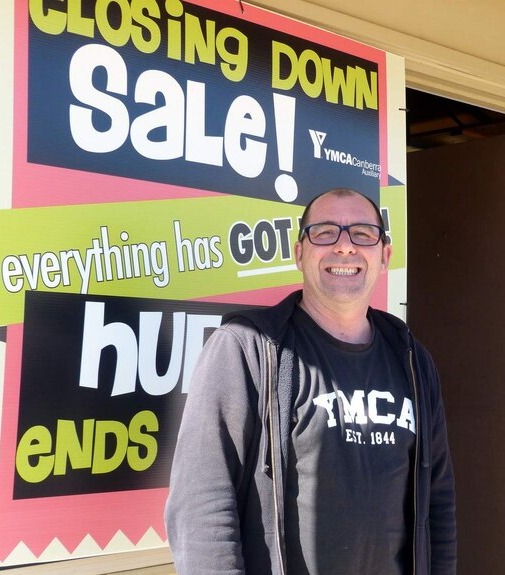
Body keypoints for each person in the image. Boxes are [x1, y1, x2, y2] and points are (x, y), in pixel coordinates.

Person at [165, 188, 456, 575]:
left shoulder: (412, 359)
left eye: (363, 234)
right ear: (299, 252)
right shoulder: (245, 349)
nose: (345, 247)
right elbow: (201, 506)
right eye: (324, 232)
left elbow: (438, 501)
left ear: (385, 255)